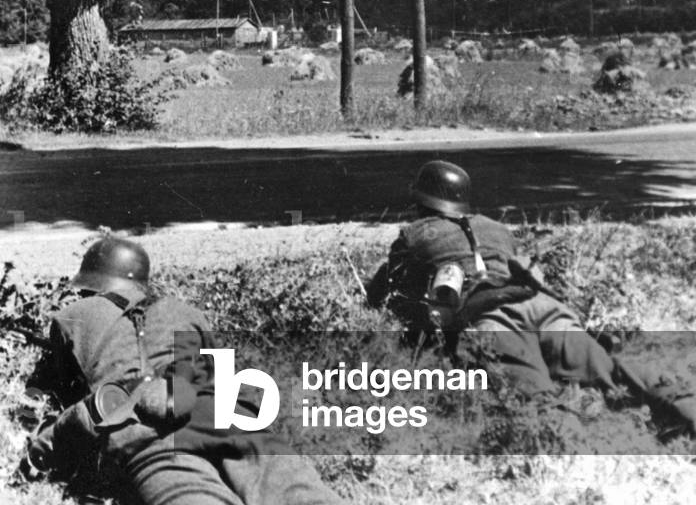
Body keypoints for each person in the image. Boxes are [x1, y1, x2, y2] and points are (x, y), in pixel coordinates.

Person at [367, 159, 696, 429]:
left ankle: (575, 454)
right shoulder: (495, 228)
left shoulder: (412, 236)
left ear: (421, 202)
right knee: (610, 373)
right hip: (541, 305)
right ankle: (684, 408)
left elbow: (394, 303)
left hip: (491, 323)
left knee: (537, 406)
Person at [23, 236, 340, 505]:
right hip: (224, 414)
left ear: (91, 285)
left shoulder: (72, 316)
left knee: (187, 491)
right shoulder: (184, 311)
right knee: (295, 488)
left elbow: (54, 395)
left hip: (145, 433)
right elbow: (219, 376)